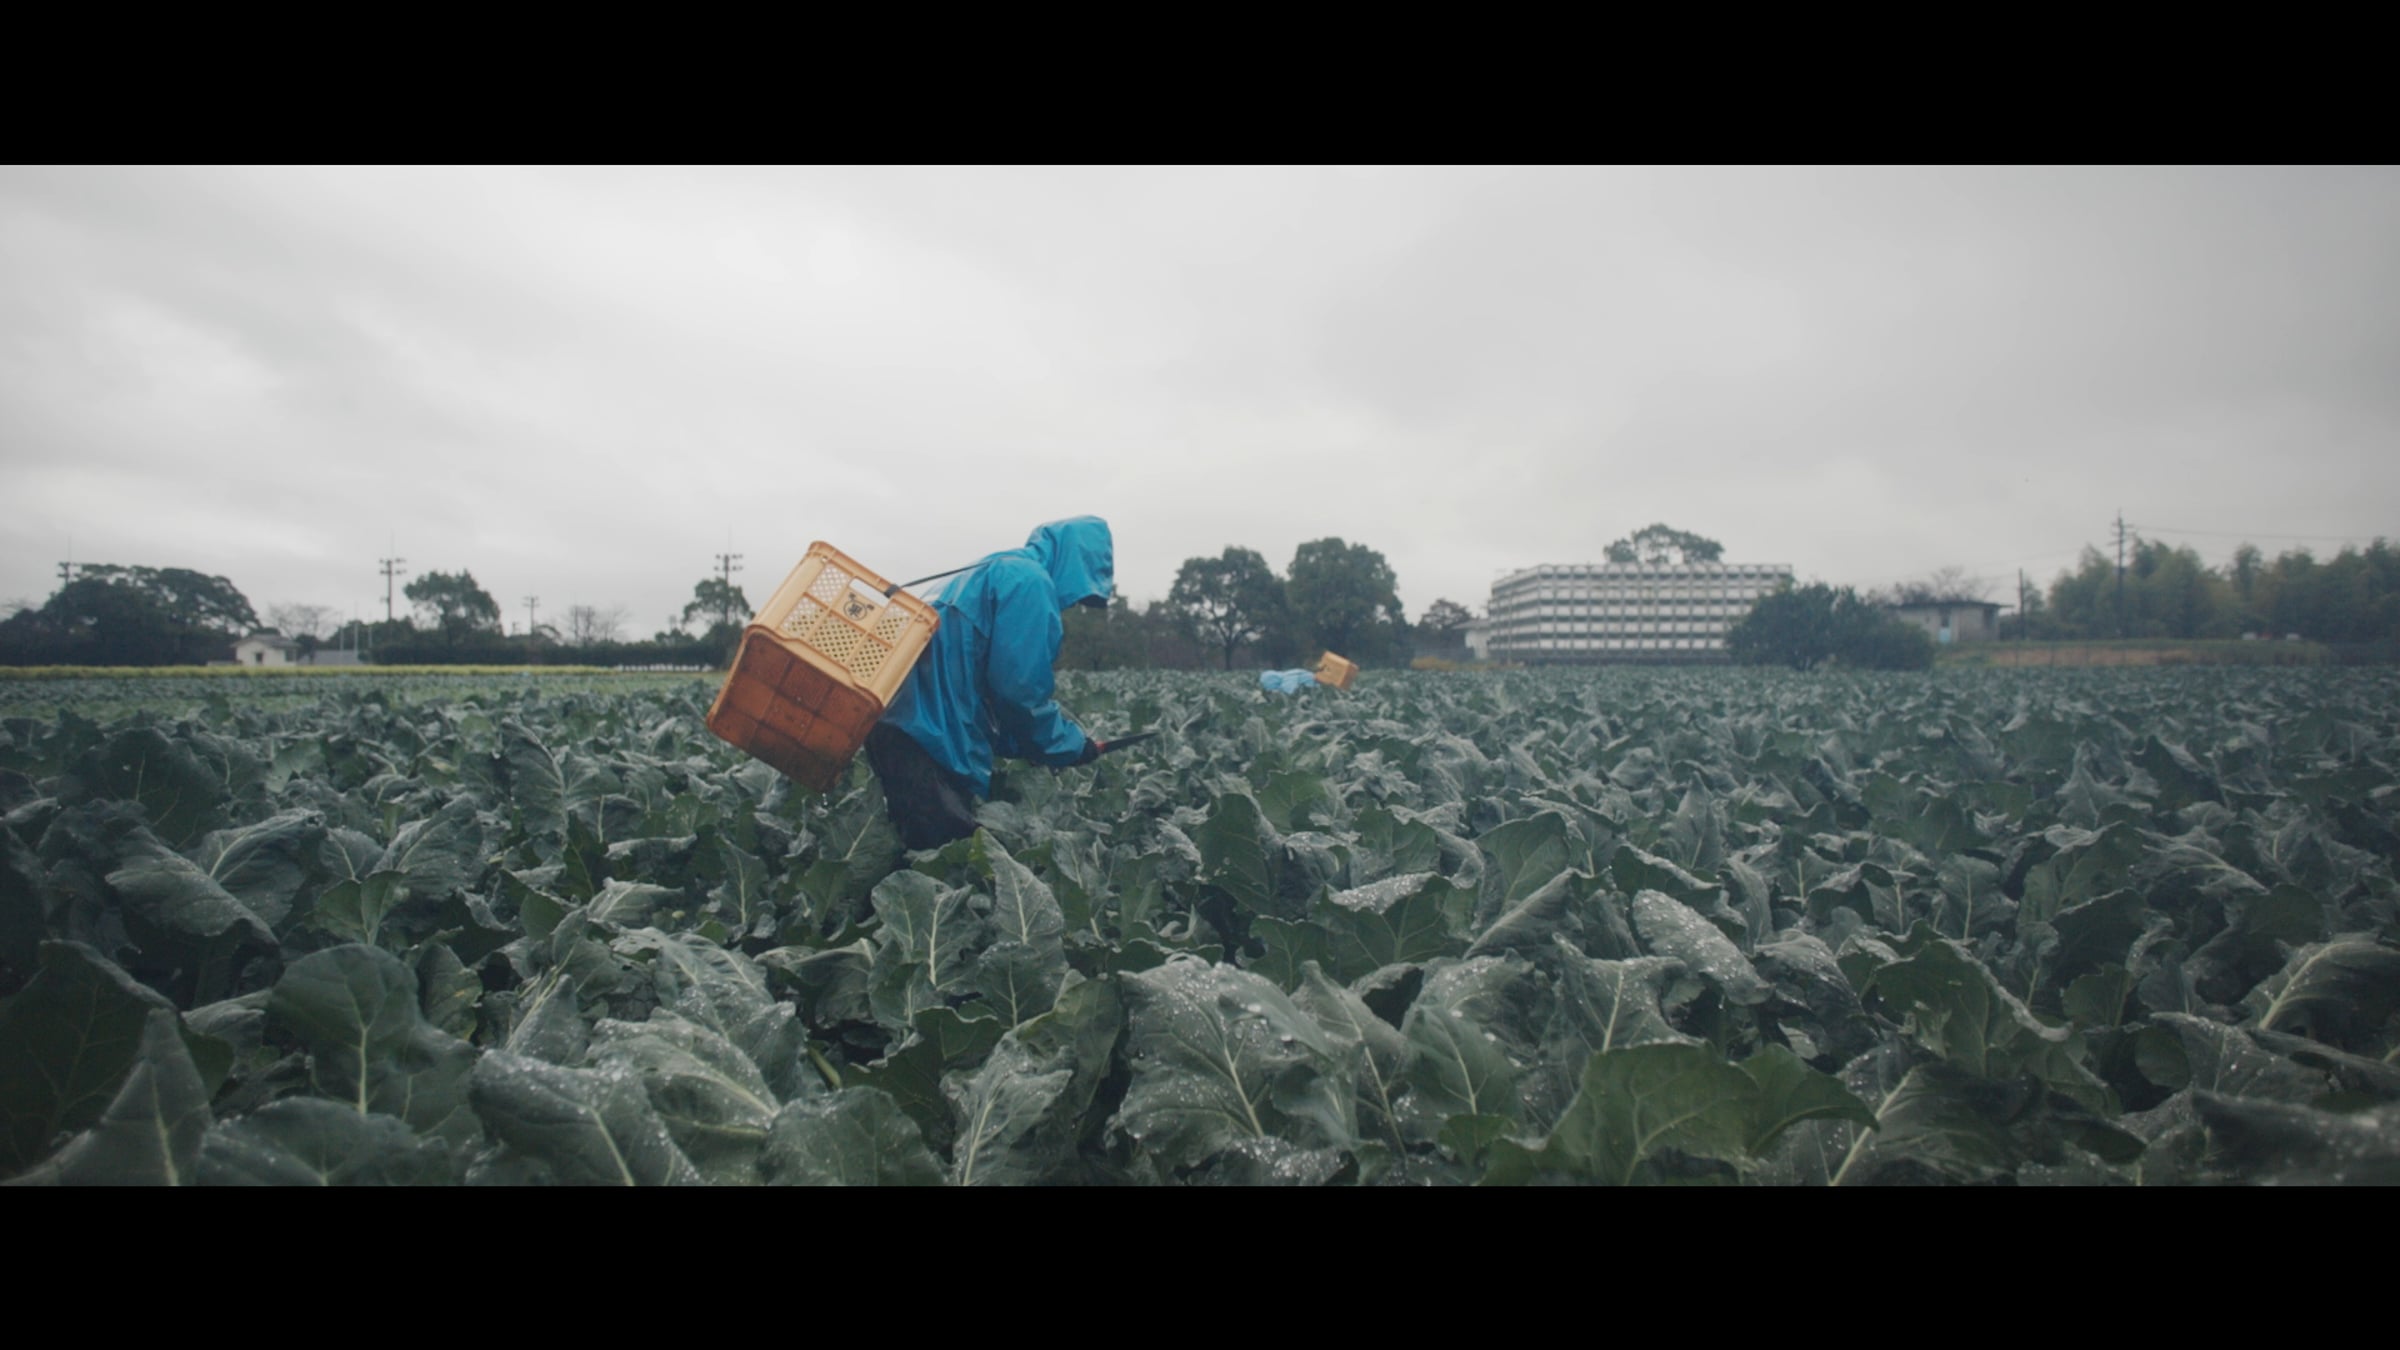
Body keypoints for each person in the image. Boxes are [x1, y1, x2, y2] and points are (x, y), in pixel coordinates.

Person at [864, 515, 1114, 849]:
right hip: (932, 740)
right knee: (947, 863)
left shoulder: (992, 569)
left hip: (894, 726)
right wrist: (1069, 745)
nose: (1074, 605)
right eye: (1081, 595)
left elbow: (983, 694)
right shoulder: (1030, 583)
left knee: (912, 853)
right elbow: (1019, 693)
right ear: (1077, 565)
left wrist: (1029, 748)